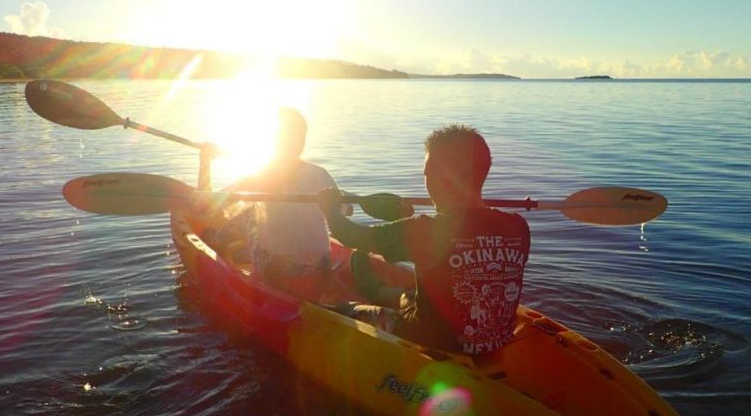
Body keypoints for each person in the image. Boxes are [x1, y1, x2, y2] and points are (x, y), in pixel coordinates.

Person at [317, 124, 530, 356]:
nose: (426, 183)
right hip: (494, 342)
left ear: (440, 178)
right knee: (411, 294)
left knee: (343, 310)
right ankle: (378, 290)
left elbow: (350, 236)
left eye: (427, 174)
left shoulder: (427, 230)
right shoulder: (518, 227)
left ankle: (363, 300)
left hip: (433, 341)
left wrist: (330, 209)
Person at [198, 106, 346, 300]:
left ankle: (218, 242)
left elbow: (207, 205)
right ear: (301, 142)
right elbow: (345, 211)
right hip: (321, 271)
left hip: (279, 275)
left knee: (249, 214)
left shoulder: (261, 175)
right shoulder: (320, 174)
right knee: (254, 212)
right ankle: (226, 241)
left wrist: (205, 161)